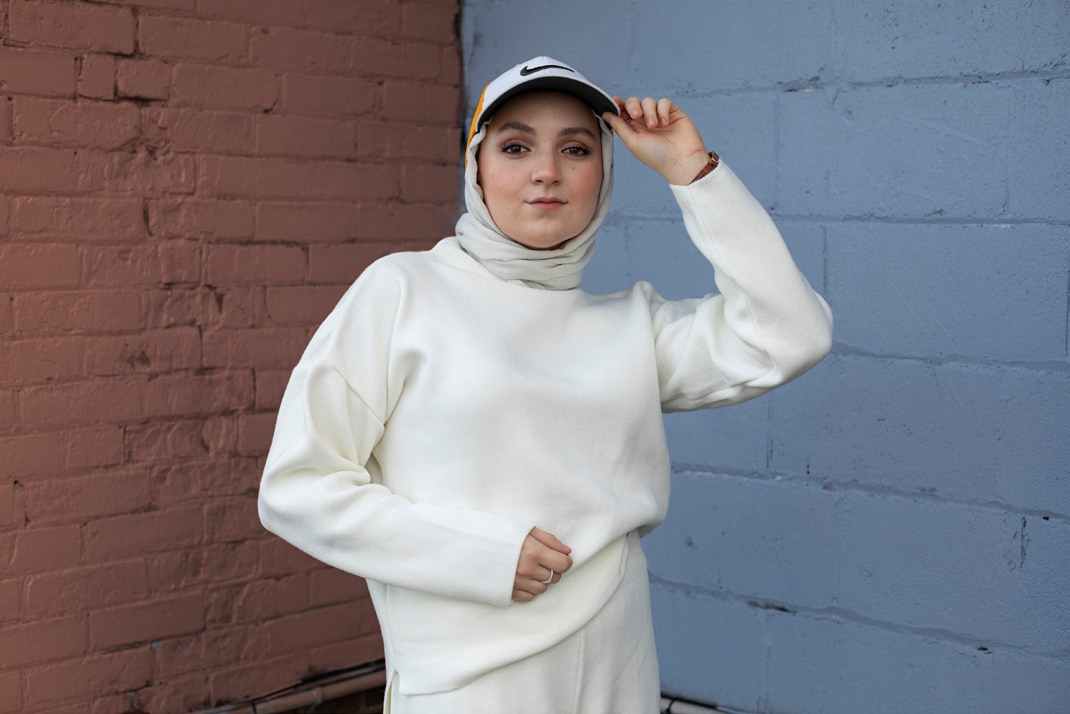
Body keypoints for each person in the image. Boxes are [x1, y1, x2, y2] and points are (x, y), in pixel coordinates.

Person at [258, 56, 833, 713]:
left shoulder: (628, 326)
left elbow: (792, 334)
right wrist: (482, 554)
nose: (546, 172)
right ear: (476, 165)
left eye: (576, 148)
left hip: (618, 671)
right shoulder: (402, 292)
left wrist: (694, 174)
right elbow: (298, 489)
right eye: (515, 145)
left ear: (604, 173)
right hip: (470, 683)